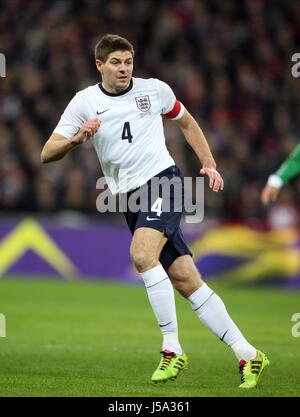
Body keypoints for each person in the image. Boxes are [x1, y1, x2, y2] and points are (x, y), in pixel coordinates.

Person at [41, 34, 269, 389]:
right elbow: (46, 153)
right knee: (186, 280)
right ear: (99, 65)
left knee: (142, 255)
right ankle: (248, 353)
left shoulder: (154, 91)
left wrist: (208, 163)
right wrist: (75, 140)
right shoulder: (84, 102)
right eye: (116, 63)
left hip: (164, 182)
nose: (124, 69)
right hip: (131, 198)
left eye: (128, 62)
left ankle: (171, 349)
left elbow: (187, 122)